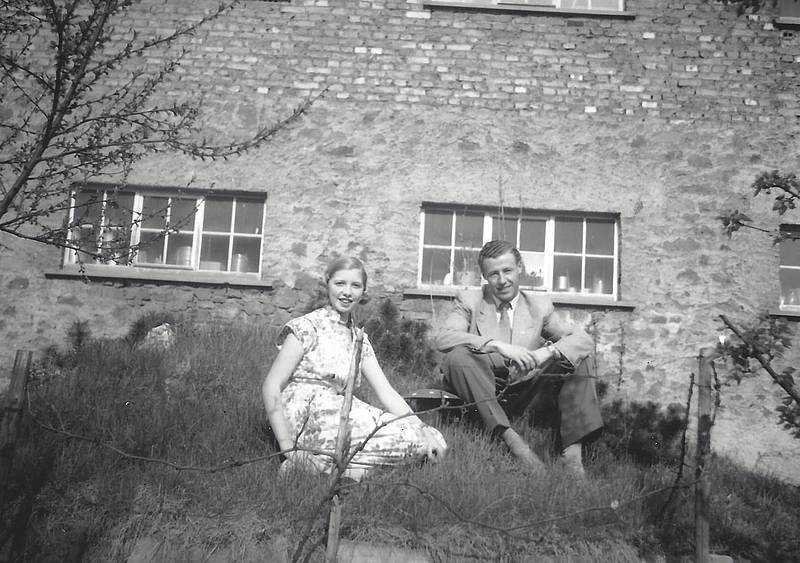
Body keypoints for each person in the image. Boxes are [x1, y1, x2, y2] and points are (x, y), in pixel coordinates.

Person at [262, 256, 447, 481]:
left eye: (355, 285)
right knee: (414, 442)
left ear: (363, 291)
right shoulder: (306, 326)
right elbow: (272, 385)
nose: (347, 292)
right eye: (340, 283)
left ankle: (336, 470)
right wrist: (287, 449)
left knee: (434, 438)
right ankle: (304, 463)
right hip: (309, 414)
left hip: (342, 408)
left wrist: (423, 428)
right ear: (327, 283)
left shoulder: (359, 338)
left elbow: (386, 392)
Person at [435, 240, 603, 475]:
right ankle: (515, 445)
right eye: (493, 274)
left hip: (526, 393)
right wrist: (497, 346)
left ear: (520, 268)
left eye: (507, 271)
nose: (502, 280)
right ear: (484, 276)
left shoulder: (539, 306)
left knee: (578, 357)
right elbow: (443, 338)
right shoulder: (469, 301)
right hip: (483, 391)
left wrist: (545, 353)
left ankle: (572, 457)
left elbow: (582, 340)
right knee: (457, 357)